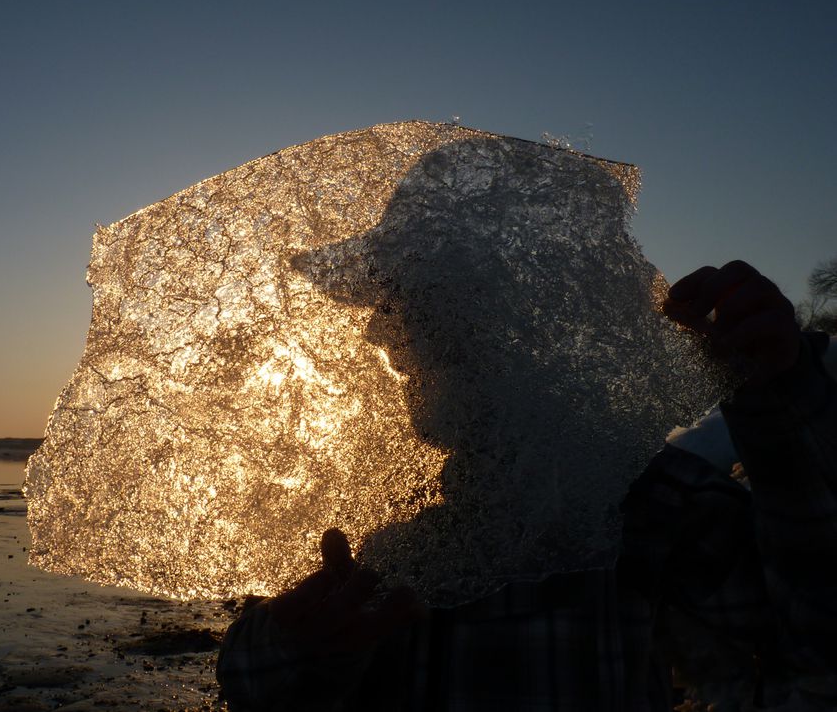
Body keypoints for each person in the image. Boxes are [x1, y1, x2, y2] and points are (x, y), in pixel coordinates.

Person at [216, 260, 837, 711]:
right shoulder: (369, 508)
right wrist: (294, 643)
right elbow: (249, 678)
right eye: (409, 336)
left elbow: (814, 633)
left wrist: (775, 392)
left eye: (447, 335)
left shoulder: (634, 501)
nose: (402, 355)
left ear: (530, 337)